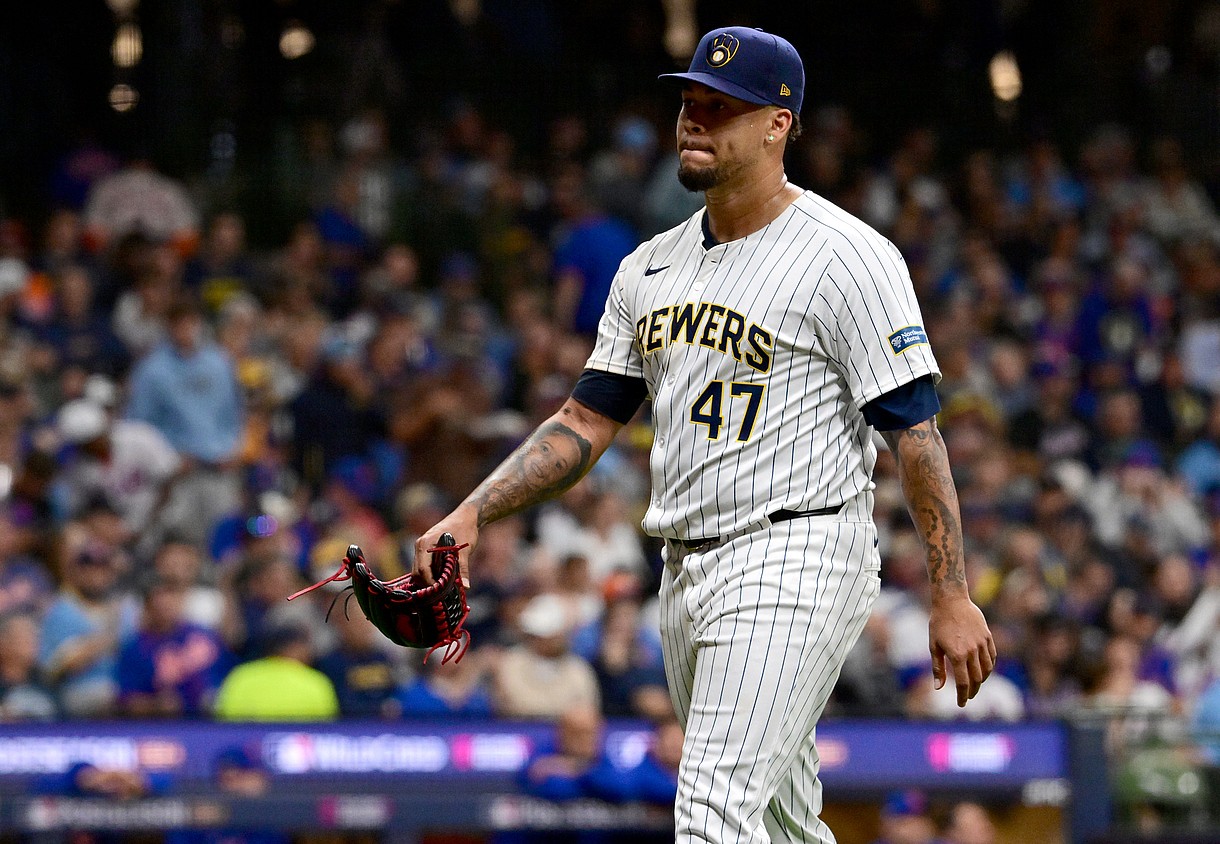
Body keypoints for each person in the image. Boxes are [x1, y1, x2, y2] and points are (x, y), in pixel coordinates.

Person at [414, 26, 994, 844]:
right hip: (685, 566)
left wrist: (949, 591)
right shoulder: (649, 266)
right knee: (786, 821)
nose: (694, 120)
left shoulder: (849, 256)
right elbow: (585, 421)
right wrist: (474, 511)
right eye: (689, 103)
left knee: (712, 806)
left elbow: (916, 435)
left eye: (720, 108)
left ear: (777, 124)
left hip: (797, 551)